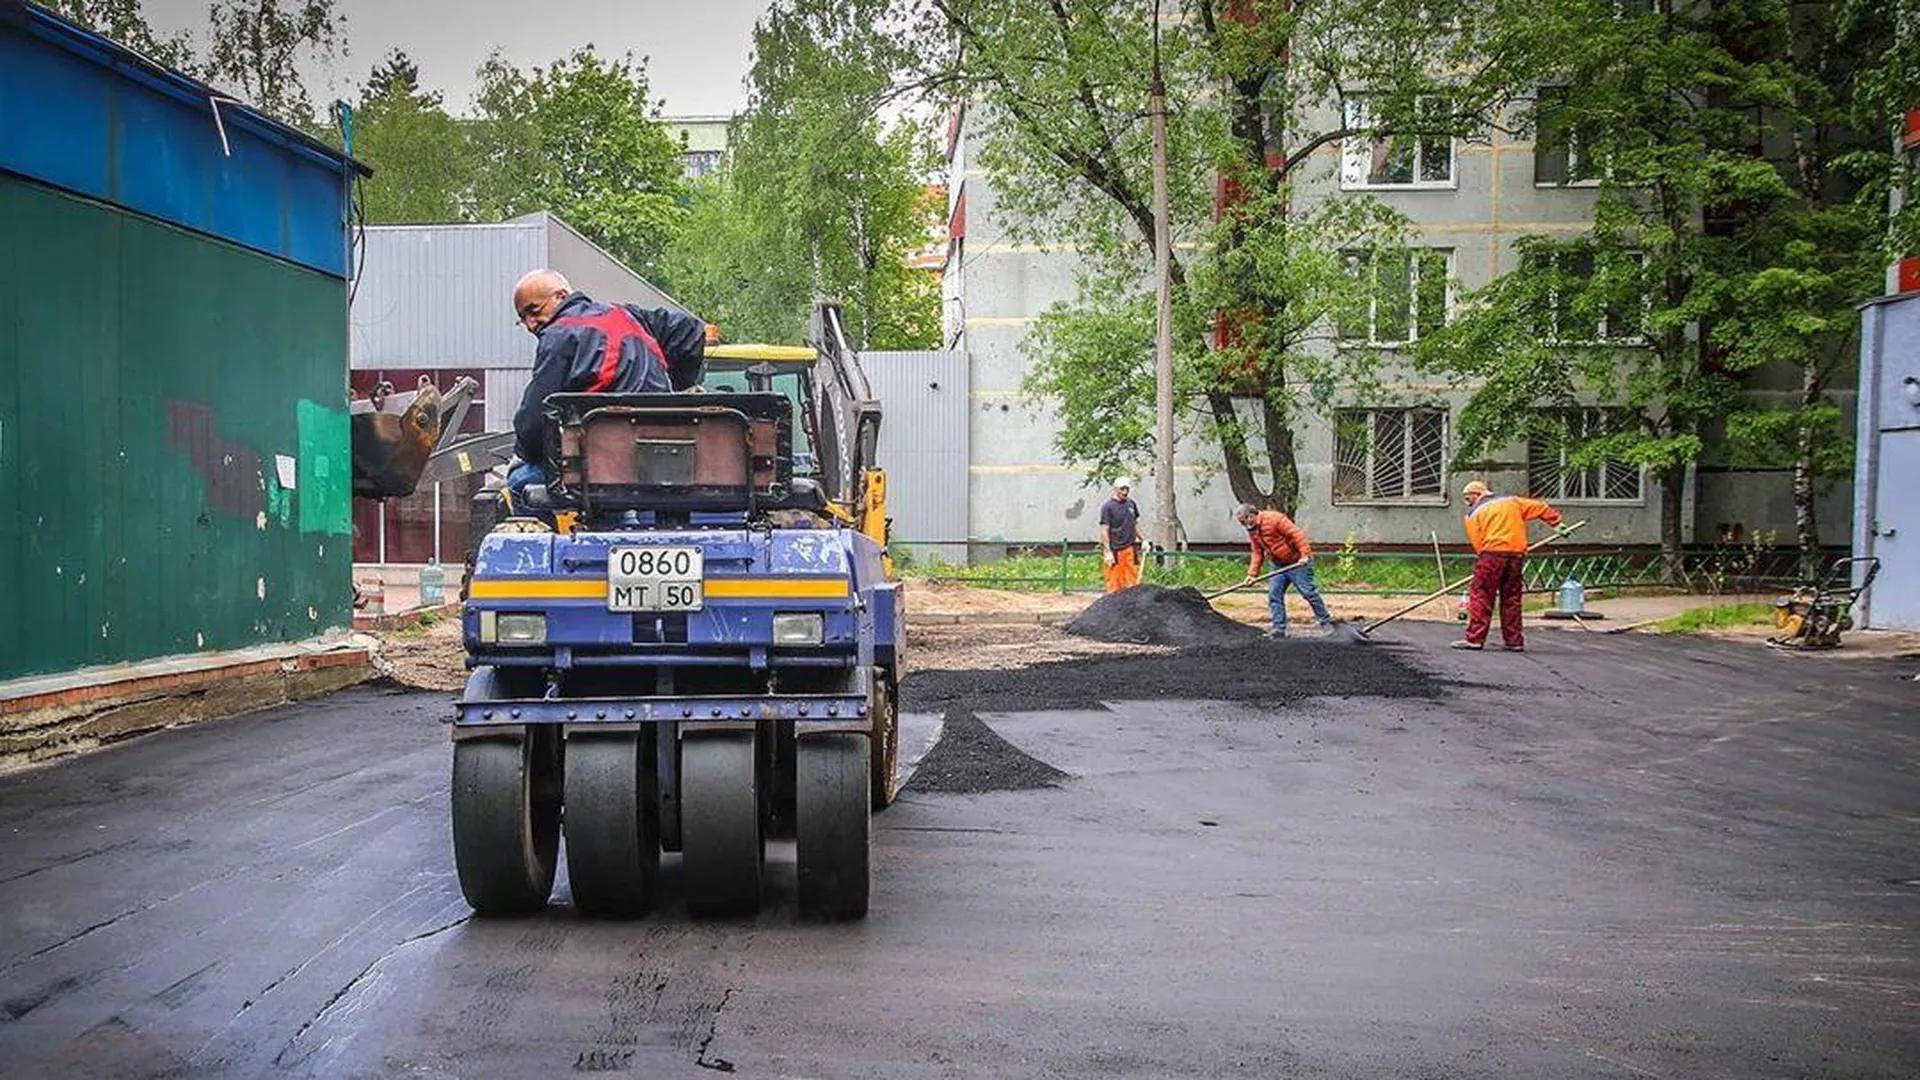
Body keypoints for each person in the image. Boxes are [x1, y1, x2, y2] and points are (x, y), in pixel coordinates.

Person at [505, 269, 708, 514]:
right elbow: (691, 330)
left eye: (534, 311)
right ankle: (629, 531)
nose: (530, 324)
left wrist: (526, 453)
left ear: (561, 296)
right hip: (659, 462)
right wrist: (677, 388)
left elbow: (533, 423)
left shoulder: (559, 335)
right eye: (522, 318)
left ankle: (593, 539)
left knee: (519, 480)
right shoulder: (627, 315)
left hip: (603, 467)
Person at [1453, 479, 1564, 652]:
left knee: (1481, 595)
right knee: (1511, 598)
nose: (1468, 503)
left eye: (1468, 499)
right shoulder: (1513, 501)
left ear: (1477, 494)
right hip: (1516, 555)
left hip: (1491, 555)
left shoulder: (1473, 514)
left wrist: (1485, 560)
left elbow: (1478, 543)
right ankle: (1514, 641)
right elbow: (1541, 508)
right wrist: (1557, 523)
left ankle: (1475, 639)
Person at [1235, 503, 1333, 637]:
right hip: (1278, 565)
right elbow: (1257, 552)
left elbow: (1297, 535)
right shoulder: (1253, 531)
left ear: (1251, 516)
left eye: (1243, 521)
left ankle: (1327, 623)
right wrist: (1252, 574)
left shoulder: (1275, 519)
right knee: (1274, 595)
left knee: (1308, 592)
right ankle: (1278, 629)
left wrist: (1305, 555)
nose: (1243, 526)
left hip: (1297, 563)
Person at [1098, 477, 1144, 592]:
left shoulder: (1131, 504)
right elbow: (1104, 529)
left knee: (1134, 583)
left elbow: (1135, 523)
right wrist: (1108, 551)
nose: (1125, 492)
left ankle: (1134, 606)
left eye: (1127, 489)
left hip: (1130, 549)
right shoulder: (1108, 507)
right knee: (1114, 585)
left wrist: (1144, 540)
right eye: (1122, 489)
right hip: (1115, 550)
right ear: (1115, 489)